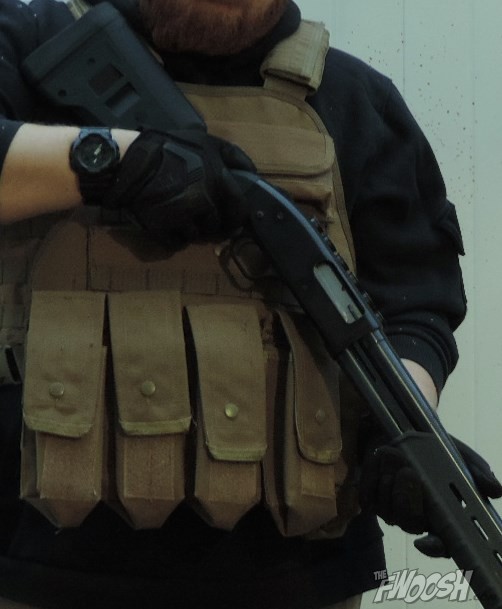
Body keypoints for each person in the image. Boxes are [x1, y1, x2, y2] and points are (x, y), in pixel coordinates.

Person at [0, 1, 499, 608]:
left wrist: (397, 435)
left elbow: (415, 305)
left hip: (302, 576)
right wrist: (110, 163)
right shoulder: (28, 42)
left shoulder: (357, 99)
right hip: (33, 572)